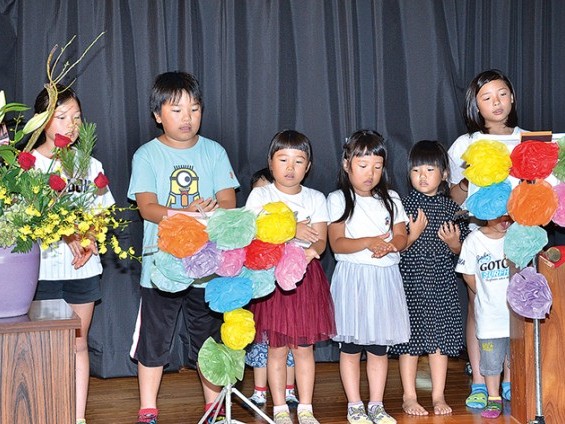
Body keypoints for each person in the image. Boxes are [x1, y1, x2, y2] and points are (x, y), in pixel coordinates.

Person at [127, 71, 240, 424]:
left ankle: (214, 409)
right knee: (154, 338)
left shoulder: (214, 151)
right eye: (176, 110)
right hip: (161, 266)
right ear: (158, 115)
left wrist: (211, 211)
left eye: (194, 108)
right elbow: (147, 208)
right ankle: (148, 409)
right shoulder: (147, 155)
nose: (187, 117)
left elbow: (229, 202)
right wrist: (186, 214)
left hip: (206, 266)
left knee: (207, 339)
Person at [32, 84, 115, 424]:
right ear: (41, 120)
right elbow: (26, 219)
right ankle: (45, 413)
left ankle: (77, 416)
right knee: (44, 347)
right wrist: (67, 234)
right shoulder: (27, 165)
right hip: (41, 272)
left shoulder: (90, 164)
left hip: (83, 269)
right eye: (61, 116)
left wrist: (90, 238)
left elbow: (102, 212)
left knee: (78, 344)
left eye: (77, 117)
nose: (70, 125)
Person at [246, 130, 336, 424]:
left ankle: (306, 407)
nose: (290, 167)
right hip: (272, 279)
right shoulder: (261, 195)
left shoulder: (315, 198)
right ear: (270, 162)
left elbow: (320, 242)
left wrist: (307, 254)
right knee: (276, 348)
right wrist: (292, 229)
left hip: (305, 279)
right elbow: (253, 233)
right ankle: (280, 408)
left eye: (298, 161)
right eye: (283, 159)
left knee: (304, 348)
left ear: (307, 166)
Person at [327, 129, 410, 424]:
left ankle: (376, 404)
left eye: (377, 166)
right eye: (362, 166)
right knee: (350, 348)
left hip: (385, 279)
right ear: (347, 164)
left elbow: (401, 235)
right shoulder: (338, 199)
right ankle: (355, 405)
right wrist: (368, 242)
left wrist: (391, 246)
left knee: (378, 348)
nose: (370, 173)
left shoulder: (392, 198)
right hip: (353, 280)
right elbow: (337, 243)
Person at [448, 69, 517, 407]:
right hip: (482, 235)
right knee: (480, 305)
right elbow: (456, 197)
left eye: (502, 94)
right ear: (476, 106)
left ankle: (511, 378)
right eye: (487, 98)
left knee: (517, 307)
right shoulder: (465, 145)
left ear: (512, 97)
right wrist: (467, 179)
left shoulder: (529, 140)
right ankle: (479, 380)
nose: (496, 102)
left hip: (520, 237)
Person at [389, 140, 469, 416]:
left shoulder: (451, 209)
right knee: (409, 343)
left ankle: (438, 395)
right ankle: (409, 396)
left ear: (445, 174)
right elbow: (395, 246)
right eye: (416, 170)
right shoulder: (403, 205)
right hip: (410, 283)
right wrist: (412, 235)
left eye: (430, 169)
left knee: (439, 342)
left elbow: (464, 251)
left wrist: (455, 245)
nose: (422, 176)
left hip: (441, 283)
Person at [245, 167, 299, 409]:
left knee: (287, 341)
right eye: (258, 192)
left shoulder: (287, 218)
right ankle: (259, 391)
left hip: (284, 285)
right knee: (261, 339)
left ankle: (289, 390)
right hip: (260, 285)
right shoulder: (251, 220)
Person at [455, 215, 512, 419]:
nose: (505, 220)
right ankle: (493, 397)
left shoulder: (515, 237)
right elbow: (467, 272)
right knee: (490, 361)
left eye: (509, 215)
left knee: (512, 356)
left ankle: (509, 384)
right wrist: (482, 293)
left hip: (513, 315)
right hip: (489, 318)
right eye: (499, 215)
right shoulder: (474, 240)